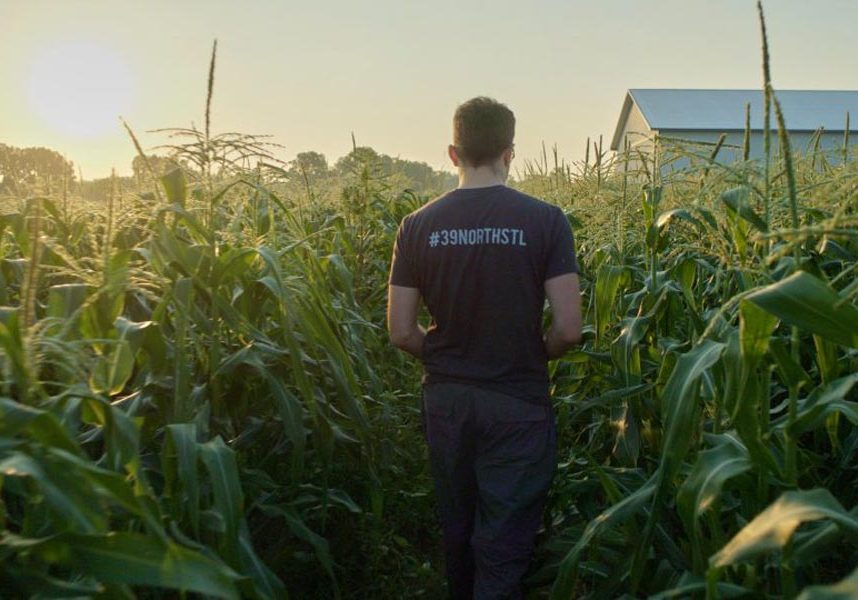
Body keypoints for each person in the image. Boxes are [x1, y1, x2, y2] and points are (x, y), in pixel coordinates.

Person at [387, 96, 582, 599]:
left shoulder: (417, 226)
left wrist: (448, 354)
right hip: (518, 400)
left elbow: (402, 331)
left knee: (459, 528)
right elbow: (568, 329)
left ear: (453, 153)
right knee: (503, 542)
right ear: (510, 152)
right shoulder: (546, 220)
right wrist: (533, 351)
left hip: (447, 401)